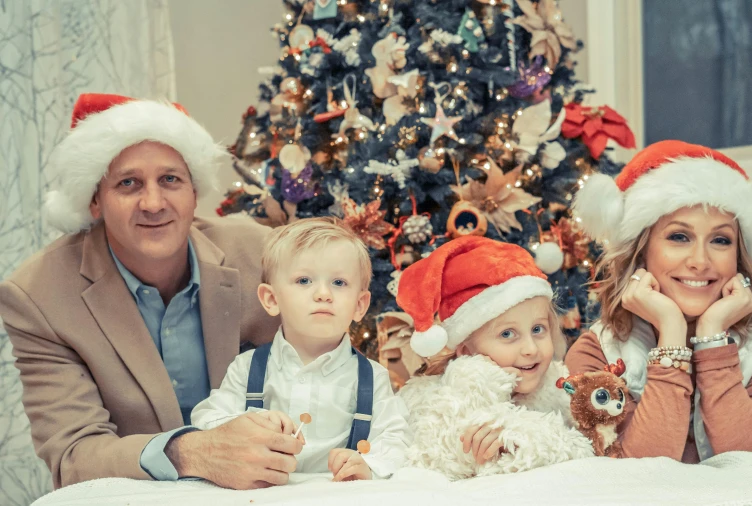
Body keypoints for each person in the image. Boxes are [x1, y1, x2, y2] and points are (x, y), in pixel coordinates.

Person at [0, 93, 302, 490]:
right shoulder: (38, 296)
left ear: (195, 193)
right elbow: (74, 455)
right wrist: (195, 452)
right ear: (94, 200)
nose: (154, 202)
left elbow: (325, 376)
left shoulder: (261, 255)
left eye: (170, 180)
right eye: (128, 183)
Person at [567, 140, 752, 462]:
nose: (700, 261)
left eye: (720, 240)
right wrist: (671, 331)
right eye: (679, 237)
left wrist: (711, 340)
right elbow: (638, 473)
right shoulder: (595, 351)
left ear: (738, 255)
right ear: (640, 251)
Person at [191, 218, 413, 481]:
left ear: (360, 305)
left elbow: (396, 437)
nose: (323, 293)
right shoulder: (248, 367)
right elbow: (205, 421)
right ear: (271, 299)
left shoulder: (371, 377)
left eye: (339, 283)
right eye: (304, 280)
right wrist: (250, 425)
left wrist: (369, 464)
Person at [395, 236, 594, 481]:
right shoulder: (442, 399)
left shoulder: (561, 386)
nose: (531, 348)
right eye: (508, 334)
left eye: (538, 329)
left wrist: (520, 435)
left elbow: (592, 446)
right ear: (466, 351)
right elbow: (432, 458)